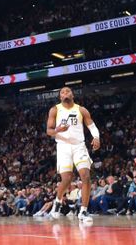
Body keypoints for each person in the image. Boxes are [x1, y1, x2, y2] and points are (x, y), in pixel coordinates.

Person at [45, 87, 100, 223]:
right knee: (67, 178)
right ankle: (57, 201)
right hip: (63, 146)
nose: (65, 94)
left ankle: (84, 211)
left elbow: (91, 125)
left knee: (86, 176)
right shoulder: (55, 110)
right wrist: (58, 129)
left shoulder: (81, 110)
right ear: (60, 97)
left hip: (79, 146)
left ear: (72, 94)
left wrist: (96, 137)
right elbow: (49, 131)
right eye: (62, 93)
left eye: (67, 91)